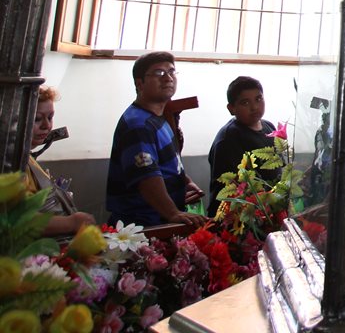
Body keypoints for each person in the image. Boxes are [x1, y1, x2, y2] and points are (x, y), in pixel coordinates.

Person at [106, 52, 206, 228]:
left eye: (172, 72)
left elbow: (166, 166)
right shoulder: (138, 125)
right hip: (142, 226)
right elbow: (147, 179)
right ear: (140, 83)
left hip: (160, 218)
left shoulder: (158, 118)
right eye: (159, 73)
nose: (168, 78)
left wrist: (185, 182)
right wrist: (173, 213)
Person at [25, 86, 95, 237]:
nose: (46, 125)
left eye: (50, 117)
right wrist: (73, 222)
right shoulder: (11, 164)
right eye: (37, 118)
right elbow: (20, 220)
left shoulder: (27, 157)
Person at [206, 76, 279, 216]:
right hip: (238, 217)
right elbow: (232, 190)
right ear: (231, 108)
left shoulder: (269, 127)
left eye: (258, 99)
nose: (254, 107)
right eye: (245, 102)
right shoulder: (228, 138)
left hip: (269, 210)